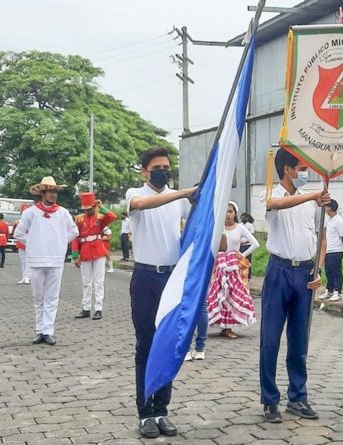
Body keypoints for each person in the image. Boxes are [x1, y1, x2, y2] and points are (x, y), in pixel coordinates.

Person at [126, 147, 194, 439]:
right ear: (144, 170)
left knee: (168, 344)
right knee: (146, 346)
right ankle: (145, 413)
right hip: (144, 278)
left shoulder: (179, 200)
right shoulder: (134, 193)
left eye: (167, 166)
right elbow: (143, 204)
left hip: (172, 278)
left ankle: (161, 409)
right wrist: (183, 194)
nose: (164, 170)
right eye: (157, 166)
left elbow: (199, 223)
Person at [259, 148, 329, 424]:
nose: (305, 174)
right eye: (301, 168)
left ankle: (297, 397)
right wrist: (312, 195)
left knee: (299, 341)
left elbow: (321, 238)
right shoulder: (271, 194)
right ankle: (270, 400)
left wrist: (319, 267)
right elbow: (274, 206)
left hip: (305, 275)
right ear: (287, 169)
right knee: (270, 340)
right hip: (279, 272)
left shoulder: (312, 204)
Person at [13, 176, 79, 347]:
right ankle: (39, 330)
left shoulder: (63, 213)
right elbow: (18, 234)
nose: (53, 195)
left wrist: (60, 243)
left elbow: (74, 231)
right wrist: (34, 243)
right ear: (42, 193)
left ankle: (48, 331)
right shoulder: (30, 213)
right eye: (50, 191)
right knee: (38, 297)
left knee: (52, 297)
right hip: (36, 260)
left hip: (55, 260)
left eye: (55, 191)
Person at [205, 201, 259, 341]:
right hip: (219, 265)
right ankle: (221, 324)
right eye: (225, 212)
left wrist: (241, 255)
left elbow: (255, 244)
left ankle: (228, 327)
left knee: (232, 295)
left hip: (233, 266)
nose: (228, 215)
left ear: (235, 213)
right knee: (218, 294)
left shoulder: (240, 228)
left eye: (230, 212)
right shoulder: (218, 228)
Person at [71, 192, 116, 321]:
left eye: (89, 209)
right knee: (86, 282)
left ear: (93, 206)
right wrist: (75, 255)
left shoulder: (100, 217)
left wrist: (101, 207)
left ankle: (98, 309)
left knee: (99, 282)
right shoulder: (79, 219)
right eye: (85, 209)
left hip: (98, 252)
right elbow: (75, 237)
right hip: (85, 252)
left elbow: (112, 216)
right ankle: (85, 308)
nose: (87, 211)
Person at [318, 200, 343, 302]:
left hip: (336, 250)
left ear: (331, 207)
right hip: (327, 250)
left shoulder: (339, 220)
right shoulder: (328, 220)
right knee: (328, 272)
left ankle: (337, 291)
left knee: (336, 271)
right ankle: (329, 290)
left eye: (327, 206)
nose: (325, 208)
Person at [14, 205, 31, 284]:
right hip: (21, 243)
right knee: (22, 261)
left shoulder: (33, 221)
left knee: (28, 260)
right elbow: (15, 232)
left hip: (30, 243)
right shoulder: (18, 222)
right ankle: (24, 276)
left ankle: (27, 277)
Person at [240, 212, 256, 279]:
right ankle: (241, 275)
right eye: (241, 217)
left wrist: (246, 241)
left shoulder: (250, 225)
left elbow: (252, 235)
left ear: (247, 218)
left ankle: (248, 276)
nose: (242, 218)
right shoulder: (240, 225)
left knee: (247, 261)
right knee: (240, 261)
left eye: (244, 217)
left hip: (247, 246)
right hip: (240, 245)